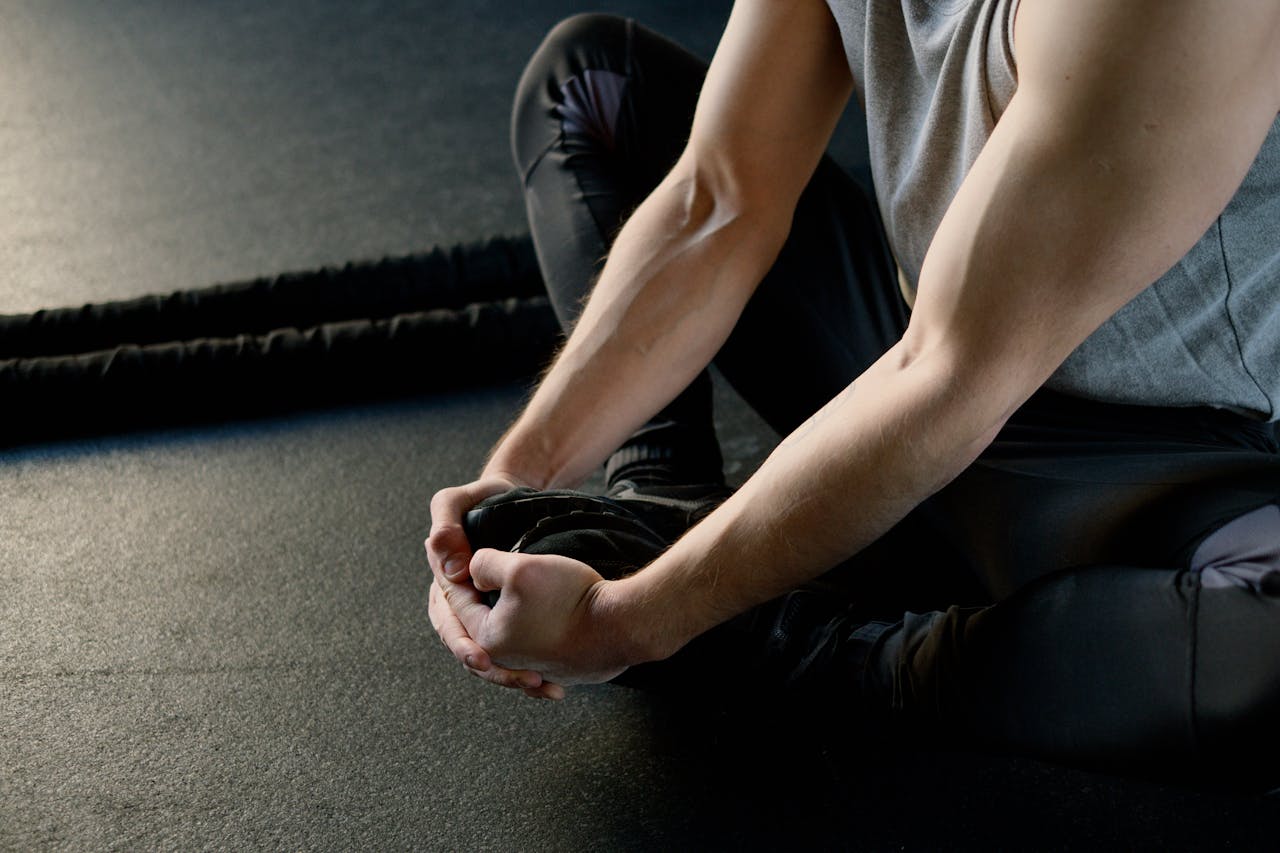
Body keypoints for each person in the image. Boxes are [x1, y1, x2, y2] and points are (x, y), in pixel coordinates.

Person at [427, 0, 1280, 779]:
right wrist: (517, 476)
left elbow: (958, 372)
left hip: (1169, 465)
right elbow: (718, 201)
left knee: (1264, 638)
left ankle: (779, 637)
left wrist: (629, 622)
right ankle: (664, 504)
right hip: (913, 370)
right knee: (595, 82)